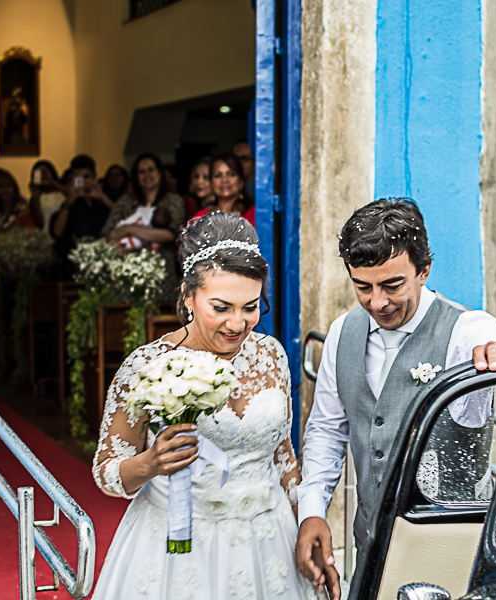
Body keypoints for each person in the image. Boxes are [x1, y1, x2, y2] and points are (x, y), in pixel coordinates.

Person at [295, 199, 496, 597]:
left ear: (424, 271)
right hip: (372, 546)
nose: (377, 302)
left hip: (450, 553)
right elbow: (327, 431)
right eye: (362, 286)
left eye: (392, 285)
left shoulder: (467, 329)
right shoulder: (340, 333)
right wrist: (312, 511)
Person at [91, 212, 323, 599]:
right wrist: (151, 464)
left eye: (251, 307)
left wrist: (305, 524)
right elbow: (107, 473)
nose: (238, 323)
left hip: (269, 541)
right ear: (187, 297)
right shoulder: (147, 366)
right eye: (221, 307)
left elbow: (283, 454)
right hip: (179, 549)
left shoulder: (271, 354)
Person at [102, 153, 185, 295]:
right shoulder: (124, 203)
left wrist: (129, 229)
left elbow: (168, 235)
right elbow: (108, 236)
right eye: (141, 171)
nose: (147, 174)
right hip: (125, 276)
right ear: (136, 177)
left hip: (160, 276)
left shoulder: (173, 201)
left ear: (160, 173)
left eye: (151, 169)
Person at [50, 155, 114, 277]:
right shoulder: (71, 204)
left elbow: (124, 216)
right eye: (78, 178)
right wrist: (70, 200)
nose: (83, 182)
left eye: (86, 177)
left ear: (94, 176)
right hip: (80, 260)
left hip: (107, 255)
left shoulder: (107, 197)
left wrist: (102, 197)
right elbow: (57, 232)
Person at [193, 153, 254, 226]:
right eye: (218, 175)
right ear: (211, 183)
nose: (224, 180)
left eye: (231, 174)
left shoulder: (255, 214)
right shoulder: (201, 216)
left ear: (241, 182)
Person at [27, 160, 65, 232]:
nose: (43, 175)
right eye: (39, 173)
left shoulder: (62, 193)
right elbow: (38, 224)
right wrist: (35, 196)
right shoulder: (35, 198)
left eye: (45, 172)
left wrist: (53, 182)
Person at [183, 157, 213, 225]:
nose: (199, 181)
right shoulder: (202, 208)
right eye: (196, 176)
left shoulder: (212, 212)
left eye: (206, 177)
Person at [232, 139, 255, 208]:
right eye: (235, 159)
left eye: (244, 158)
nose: (239, 162)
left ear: (255, 163)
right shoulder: (228, 188)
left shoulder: (259, 191)